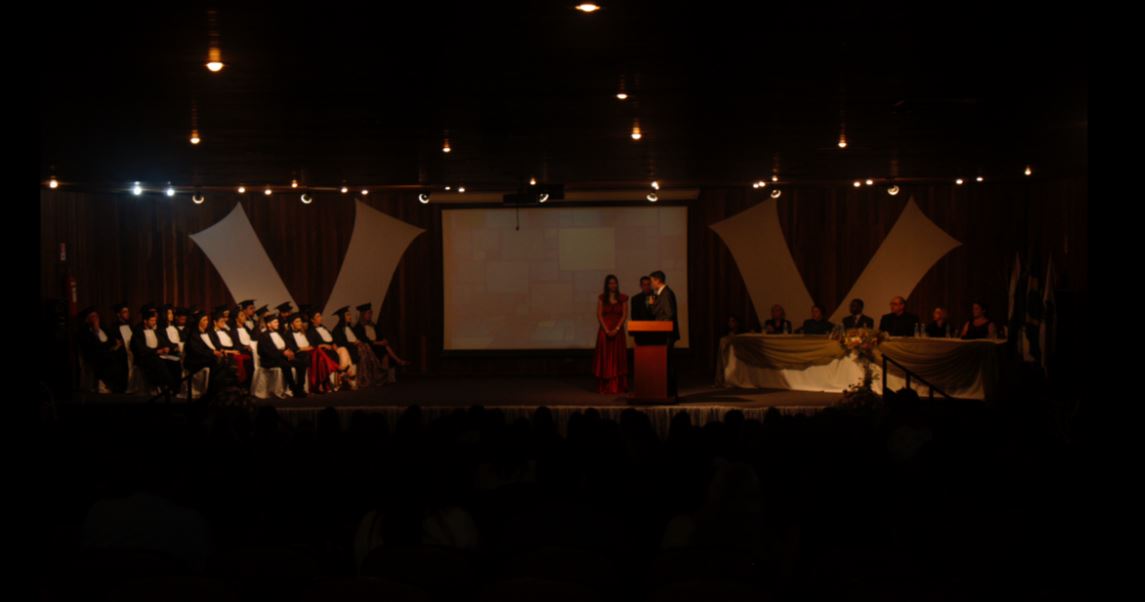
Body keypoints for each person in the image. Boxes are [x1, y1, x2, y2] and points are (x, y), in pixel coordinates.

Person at [354, 303, 412, 381]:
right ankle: (397, 362)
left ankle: (394, 365)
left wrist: (383, 340)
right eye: (368, 313)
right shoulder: (358, 327)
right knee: (384, 350)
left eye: (371, 313)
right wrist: (379, 343)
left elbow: (380, 335)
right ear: (363, 314)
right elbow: (365, 340)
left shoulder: (373, 325)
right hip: (368, 348)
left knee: (385, 346)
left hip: (377, 345)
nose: (370, 315)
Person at [76, 306, 127, 393]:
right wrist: (95, 332)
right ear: (87, 320)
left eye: (96, 316)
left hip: (109, 353)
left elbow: (111, 340)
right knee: (109, 360)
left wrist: (116, 344)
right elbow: (92, 347)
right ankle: (103, 384)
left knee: (121, 356)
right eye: (93, 316)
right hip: (96, 356)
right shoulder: (85, 332)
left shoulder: (103, 328)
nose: (96, 318)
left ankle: (119, 387)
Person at [256, 313, 308, 398]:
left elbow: (286, 345)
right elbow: (264, 351)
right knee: (286, 365)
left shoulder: (279, 333)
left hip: (283, 358)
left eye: (277, 322)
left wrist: (290, 351)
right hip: (270, 360)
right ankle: (294, 389)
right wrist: (282, 353)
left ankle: (300, 387)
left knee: (301, 364)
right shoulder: (263, 336)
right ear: (269, 324)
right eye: (275, 322)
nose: (278, 324)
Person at [332, 306, 386, 388]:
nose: (350, 317)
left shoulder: (350, 328)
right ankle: (364, 379)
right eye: (347, 315)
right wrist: (354, 343)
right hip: (349, 349)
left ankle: (372, 376)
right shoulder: (337, 329)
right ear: (343, 317)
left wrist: (358, 342)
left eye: (350, 315)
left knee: (366, 347)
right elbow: (341, 343)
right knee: (362, 350)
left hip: (356, 347)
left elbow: (356, 338)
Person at [593, 274, 629, 394]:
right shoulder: (602, 298)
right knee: (605, 357)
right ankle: (605, 385)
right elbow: (599, 315)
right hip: (605, 332)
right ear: (607, 285)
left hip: (618, 332)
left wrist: (616, 329)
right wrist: (607, 330)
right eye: (610, 283)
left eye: (615, 283)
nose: (613, 285)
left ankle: (618, 385)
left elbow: (624, 315)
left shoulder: (623, 298)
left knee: (618, 357)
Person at [649, 270, 680, 400]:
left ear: (657, 280)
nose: (651, 284)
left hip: (666, 335)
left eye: (652, 281)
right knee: (665, 363)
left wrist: (659, 325)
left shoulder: (666, 293)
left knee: (668, 364)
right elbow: (657, 313)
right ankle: (667, 392)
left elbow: (669, 314)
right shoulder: (660, 294)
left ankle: (670, 393)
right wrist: (652, 304)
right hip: (663, 334)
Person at [306, 309, 354, 392]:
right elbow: (312, 345)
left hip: (331, 350)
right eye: (318, 316)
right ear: (312, 320)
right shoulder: (310, 331)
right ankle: (343, 374)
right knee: (337, 353)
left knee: (343, 349)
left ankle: (344, 372)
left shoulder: (325, 328)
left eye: (320, 316)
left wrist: (334, 344)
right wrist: (322, 345)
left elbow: (332, 339)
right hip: (323, 353)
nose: (321, 318)